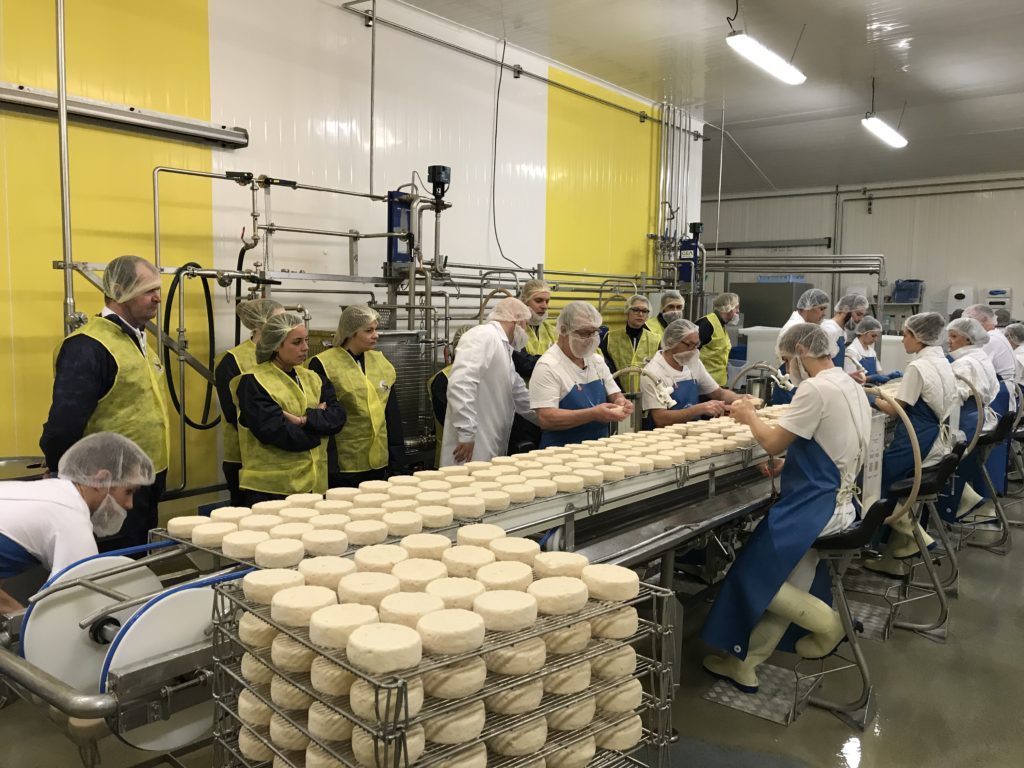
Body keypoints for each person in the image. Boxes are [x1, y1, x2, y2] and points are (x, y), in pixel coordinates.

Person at [701, 323, 871, 693]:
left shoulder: (815, 388)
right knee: (793, 582)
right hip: (841, 501)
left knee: (752, 576)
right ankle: (744, 663)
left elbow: (774, 442)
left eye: (785, 359)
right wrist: (791, 465)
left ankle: (830, 623)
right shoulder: (847, 384)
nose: (786, 366)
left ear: (800, 351)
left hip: (815, 509)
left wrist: (748, 418)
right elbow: (832, 444)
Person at [40, 255, 168, 549]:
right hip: (108, 487)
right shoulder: (88, 347)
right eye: (149, 290)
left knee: (138, 561)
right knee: (113, 568)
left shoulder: (138, 341)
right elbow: (64, 423)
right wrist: (64, 472)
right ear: (120, 290)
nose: (158, 298)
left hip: (144, 479)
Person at [0, 433, 155, 613]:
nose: (130, 504)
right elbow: (68, 606)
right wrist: (22, 622)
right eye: (128, 491)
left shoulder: (56, 491)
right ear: (101, 479)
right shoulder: (71, 521)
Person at [866, 313, 957, 572]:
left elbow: (896, 410)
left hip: (918, 438)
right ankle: (895, 547)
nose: (903, 339)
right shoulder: (942, 362)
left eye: (905, 334)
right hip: (936, 437)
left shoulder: (918, 367)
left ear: (917, 337)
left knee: (876, 480)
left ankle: (875, 542)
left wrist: (868, 398)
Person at [232, 313, 345, 503]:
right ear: (276, 345)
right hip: (272, 489)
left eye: (306, 340)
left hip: (314, 484)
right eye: (297, 342)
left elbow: (338, 416)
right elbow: (275, 431)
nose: (306, 348)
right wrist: (320, 426)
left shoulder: (313, 378)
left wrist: (303, 421)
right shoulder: (254, 381)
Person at [309, 306, 404, 488]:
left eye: (375, 329)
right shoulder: (323, 364)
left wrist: (397, 460)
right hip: (344, 464)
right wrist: (330, 465)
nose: (376, 335)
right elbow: (323, 418)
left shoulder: (381, 362)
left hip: (379, 460)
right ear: (350, 333)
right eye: (368, 331)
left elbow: (392, 415)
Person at [441, 298, 538, 465]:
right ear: (517, 320)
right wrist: (466, 432)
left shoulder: (504, 349)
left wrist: (547, 418)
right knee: (464, 486)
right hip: (469, 447)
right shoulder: (483, 335)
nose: (526, 331)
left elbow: (519, 395)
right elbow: (461, 382)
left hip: (489, 444)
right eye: (526, 325)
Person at [530, 301, 633, 447]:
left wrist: (621, 402)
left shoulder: (596, 360)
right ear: (564, 331)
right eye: (584, 333)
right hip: (560, 454)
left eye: (594, 332)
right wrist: (593, 414)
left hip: (597, 448)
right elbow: (546, 419)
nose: (591, 339)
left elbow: (615, 394)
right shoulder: (548, 366)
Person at [215, 298, 285, 505]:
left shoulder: (285, 353)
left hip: (283, 455)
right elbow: (233, 414)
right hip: (244, 459)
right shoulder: (232, 361)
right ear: (261, 324)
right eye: (280, 320)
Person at [936, 318, 999, 522]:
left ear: (968, 339)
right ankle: (967, 498)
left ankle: (948, 509)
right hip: (978, 419)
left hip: (965, 422)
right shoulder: (979, 357)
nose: (950, 342)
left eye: (954, 337)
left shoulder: (965, 363)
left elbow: (954, 395)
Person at [641, 320, 749, 428]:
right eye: (689, 345)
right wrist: (699, 409)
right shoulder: (652, 372)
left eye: (696, 345)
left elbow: (718, 393)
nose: (693, 350)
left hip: (692, 430)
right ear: (671, 342)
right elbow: (660, 419)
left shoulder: (693, 363)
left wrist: (739, 398)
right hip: (664, 436)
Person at [963, 303, 1016, 494]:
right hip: (1000, 393)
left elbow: (973, 367)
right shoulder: (996, 336)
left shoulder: (990, 340)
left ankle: (981, 495)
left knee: (983, 447)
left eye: (969, 321)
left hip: (997, 396)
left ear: (983, 321)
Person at [600, 294, 662, 392]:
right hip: (617, 393)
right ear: (627, 311)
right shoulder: (610, 338)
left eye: (644, 311)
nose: (640, 314)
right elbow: (604, 368)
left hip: (647, 394)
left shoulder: (655, 340)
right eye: (636, 310)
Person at [427, 326, 471, 468]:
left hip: (481, 451)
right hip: (453, 454)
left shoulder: (486, 374)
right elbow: (447, 420)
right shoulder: (442, 379)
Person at [696, 292, 740, 387]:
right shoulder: (706, 324)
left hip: (717, 384)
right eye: (736, 307)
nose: (738, 311)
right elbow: (690, 351)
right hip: (703, 385)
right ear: (728, 308)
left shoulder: (721, 326)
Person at [821, 294, 869, 366]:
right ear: (845, 309)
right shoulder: (829, 330)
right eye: (858, 314)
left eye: (863, 315)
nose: (860, 319)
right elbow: (820, 363)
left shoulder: (842, 332)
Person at [519, 279, 559, 357]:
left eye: (547, 301)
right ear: (524, 301)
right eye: (538, 301)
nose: (544, 306)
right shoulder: (516, 330)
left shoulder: (551, 331)